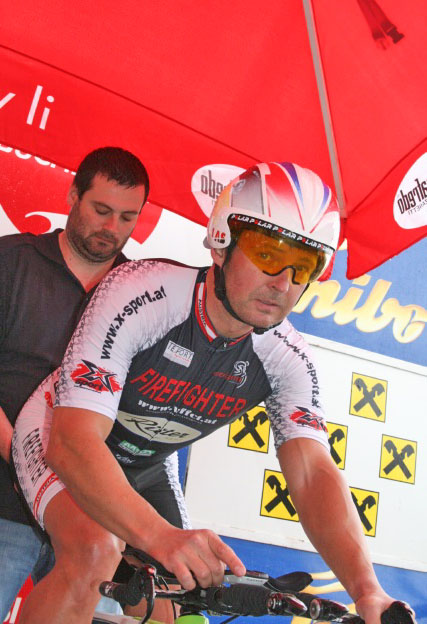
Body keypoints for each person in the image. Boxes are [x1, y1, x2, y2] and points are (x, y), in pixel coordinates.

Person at [12, 162, 415, 624]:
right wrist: (157, 536)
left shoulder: (287, 358)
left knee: (182, 606)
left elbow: (312, 475)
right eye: (267, 253)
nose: (282, 283)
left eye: (303, 265)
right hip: (55, 430)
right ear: (222, 242)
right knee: (95, 550)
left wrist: (367, 591)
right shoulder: (142, 291)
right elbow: (72, 442)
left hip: (146, 464)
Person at [0, 146, 149, 620]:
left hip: (93, 518)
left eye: (127, 217)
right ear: (72, 195)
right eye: (101, 210)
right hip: (3, 507)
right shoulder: (11, 262)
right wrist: (27, 464)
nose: (112, 228)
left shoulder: (142, 292)